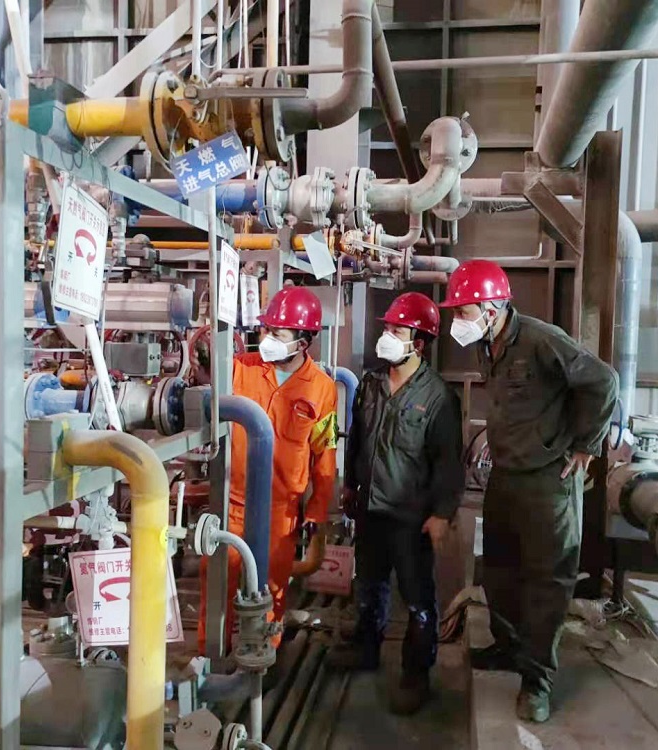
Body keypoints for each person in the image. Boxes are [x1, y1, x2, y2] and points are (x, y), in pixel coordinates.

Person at [439, 259, 618, 723]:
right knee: (499, 569)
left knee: (546, 581)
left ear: (492, 307)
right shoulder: (487, 344)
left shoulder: (541, 340)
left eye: (463, 310)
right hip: (507, 475)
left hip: (548, 481)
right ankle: (509, 646)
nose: (458, 319)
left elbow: (603, 381)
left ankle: (537, 682)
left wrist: (585, 446)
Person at [331, 292, 464, 715]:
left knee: (418, 598)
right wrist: (350, 485)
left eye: (396, 331)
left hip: (411, 517)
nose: (386, 336)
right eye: (386, 328)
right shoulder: (371, 384)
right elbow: (357, 439)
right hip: (370, 509)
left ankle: (416, 674)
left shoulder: (438, 397)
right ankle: (366, 647)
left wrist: (441, 514)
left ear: (418, 343)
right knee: (369, 585)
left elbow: (449, 463)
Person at [198, 286, 339, 657]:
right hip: (231, 502)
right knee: (218, 585)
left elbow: (324, 453)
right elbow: (205, 374)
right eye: (265, 330)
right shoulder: (241, 368)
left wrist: (317, 511)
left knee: (269, 590)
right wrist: (203, 345)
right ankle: (211, 661)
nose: (266, 338)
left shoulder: (322, 389)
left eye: (276, 333)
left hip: (281, 513)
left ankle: (263, 660)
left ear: (302, 342)